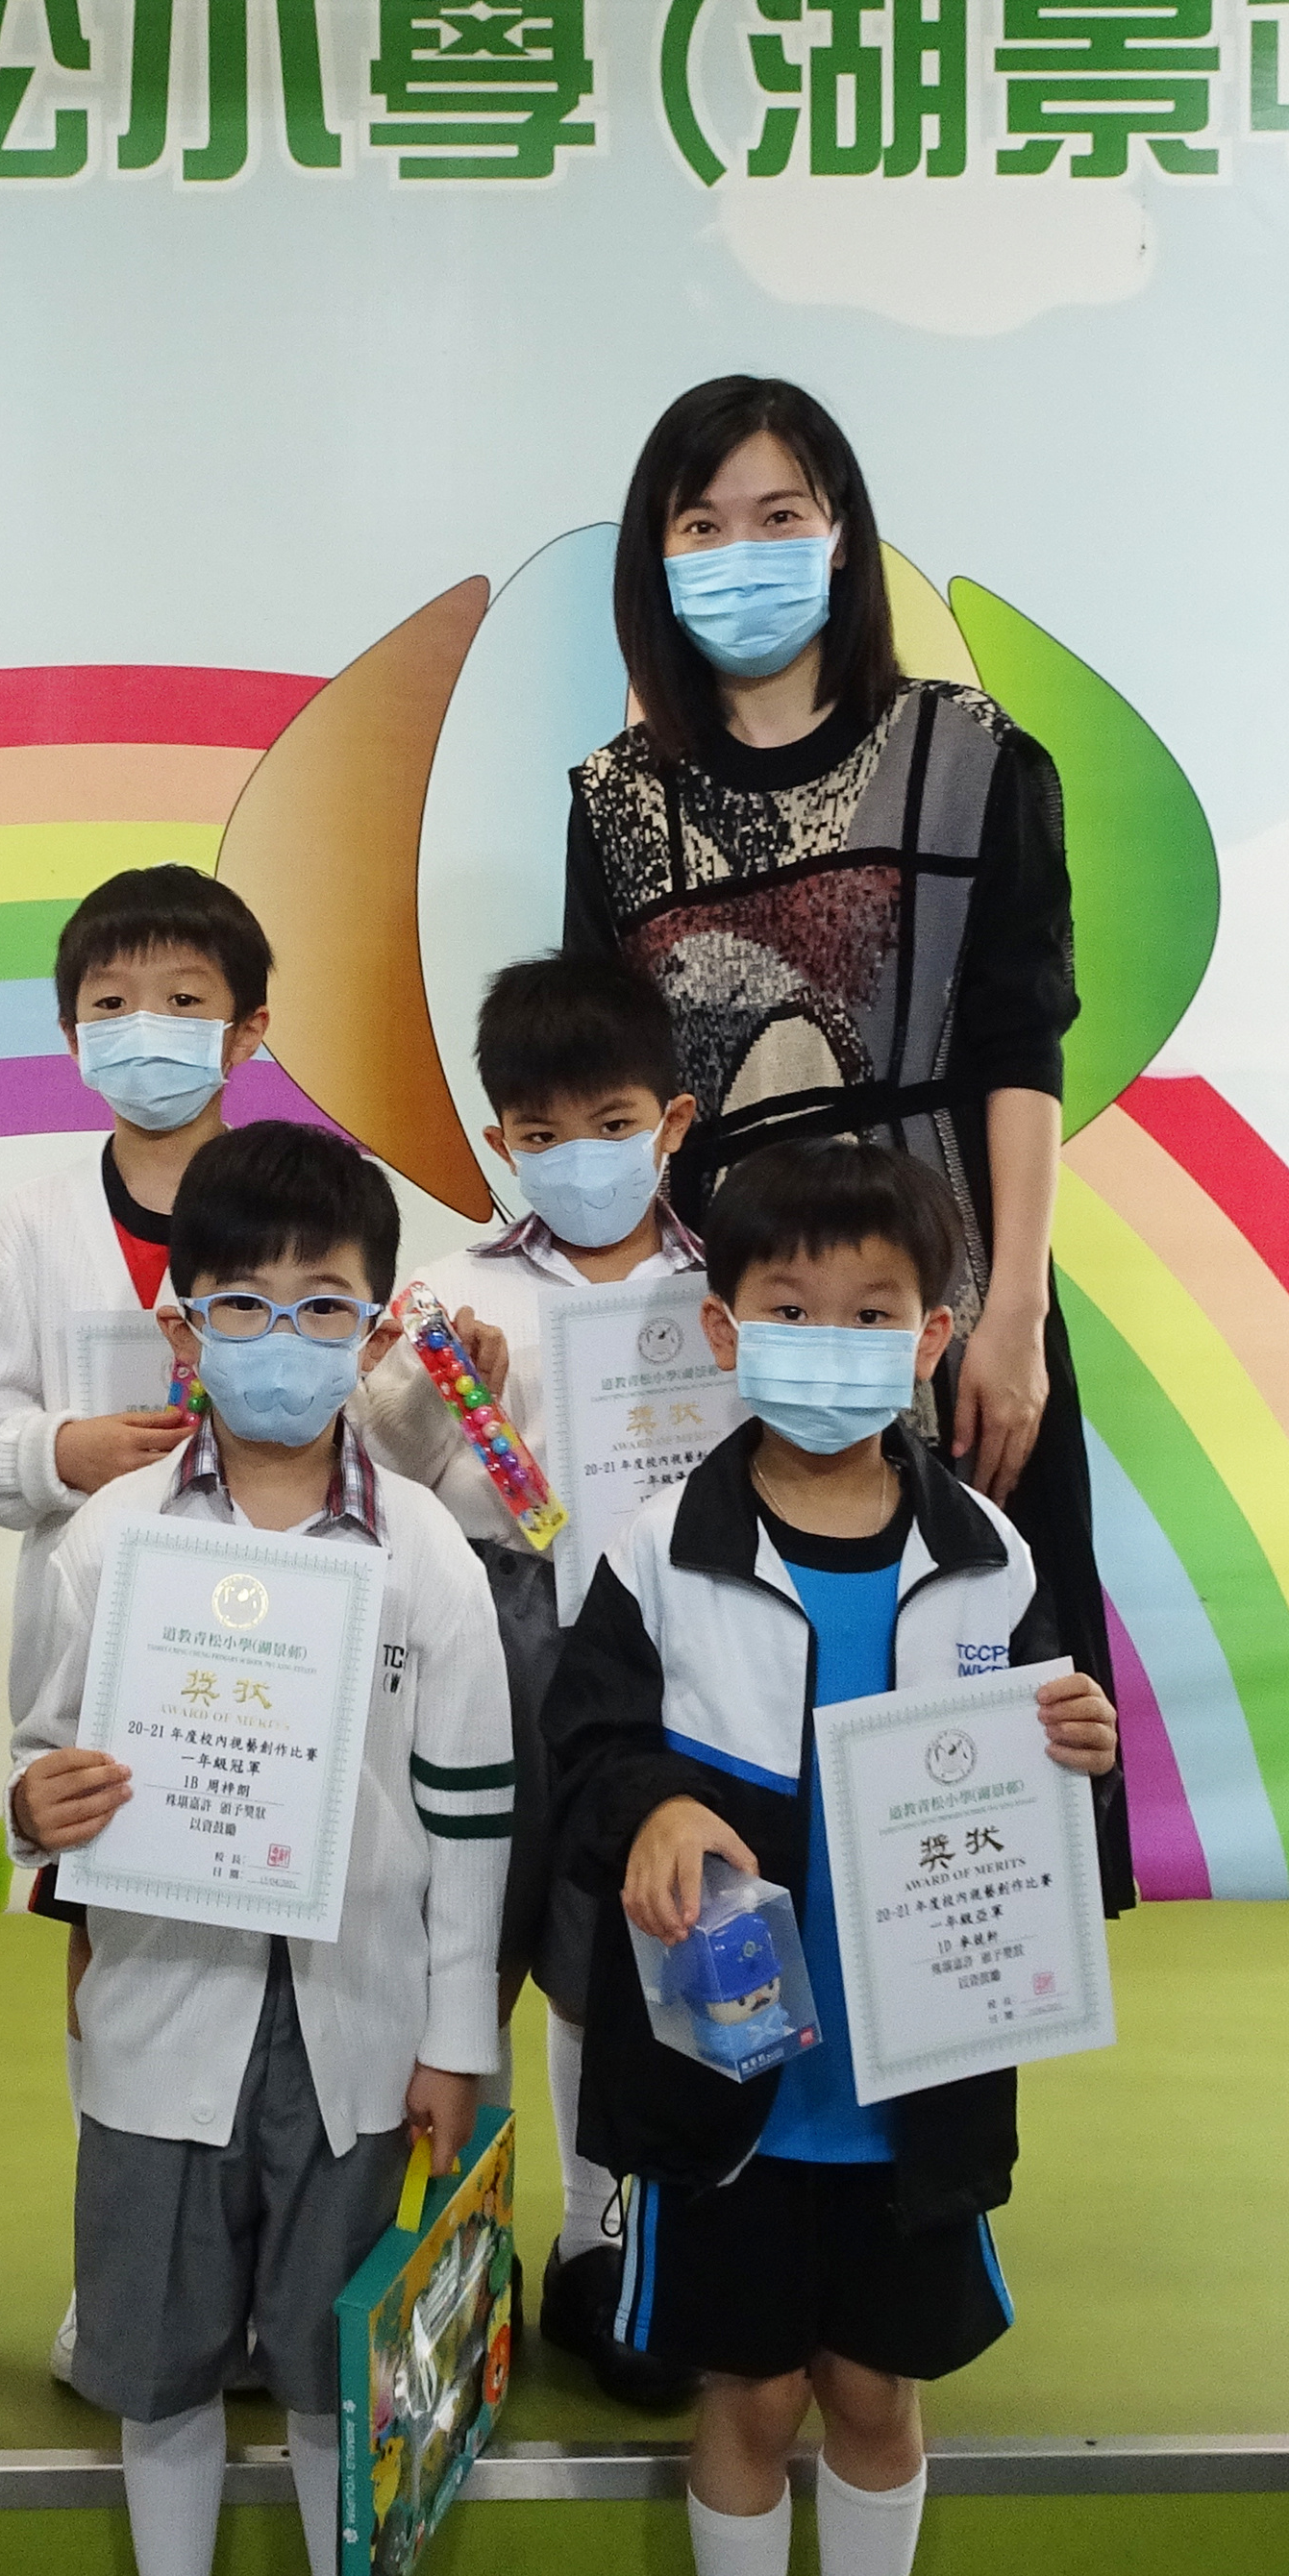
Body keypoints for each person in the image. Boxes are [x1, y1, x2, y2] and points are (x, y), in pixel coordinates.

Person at [546, 1140, 1119, 2576]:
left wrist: (1077, 1744)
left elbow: (1042, 1783)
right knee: (753, 2388)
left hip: (914, 2082)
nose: (832, 1342)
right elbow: (587, 1754)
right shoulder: (657, 1548)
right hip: (728, 2084)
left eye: (873, 1313)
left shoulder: (993, 1554)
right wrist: (655, 1806)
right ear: (726, 1330)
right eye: (791, 1308)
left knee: (875, 2390)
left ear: (932, 1338)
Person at [563, 373, 1128, 1916]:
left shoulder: (973, 756)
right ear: (655, 557)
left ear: (840, 536)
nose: (739, 550)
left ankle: (943, 2048)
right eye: (701, 524)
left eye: (778, 515)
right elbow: (612, 1088)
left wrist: (1013, 1317)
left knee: (969, 1768)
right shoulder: (614, 805)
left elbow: (1019, 1046)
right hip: (724, 1323)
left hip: (940, 1310)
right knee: (729, 1727)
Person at [8, 1123, 514, 2576]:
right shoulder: (107, 1539)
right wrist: (37, 1808)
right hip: (167, 2012)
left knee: (332, 2359)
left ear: (375, 1328)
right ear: (183, 1324)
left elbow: (470, 1810)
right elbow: (38, 1750)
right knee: (156, 2356)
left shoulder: (423, 1549)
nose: (281, 1339)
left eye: (323, 1307)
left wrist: (455, 2032)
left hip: (362, 2026)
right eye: (243, 1304)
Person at [349, 956, 703, 2414]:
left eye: (611, 1124)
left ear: (672, 1120)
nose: (580, 1158)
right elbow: (378, 1473)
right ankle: (458, 2242)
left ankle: (604, 2235)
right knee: (469, 1934)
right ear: (502, 1141)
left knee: (618, 1940)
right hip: (493, 1630)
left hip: (670, 1642)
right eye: (543, 1135)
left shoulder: (724, 1289)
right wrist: (437, 1390)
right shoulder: (452, 1289)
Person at [0, 863, 266, 2382]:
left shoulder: (300, 1201)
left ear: (249, 1030)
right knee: (110, 1951)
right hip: (104, 1658)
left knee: (273, 1964)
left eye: (185, 1000)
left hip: (274, 1652)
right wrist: (65, 1449)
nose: (148, 1027)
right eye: (114, 1002)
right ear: (71, 1035)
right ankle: (124, 2270)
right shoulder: (33, 1220)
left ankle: (258, 2274)